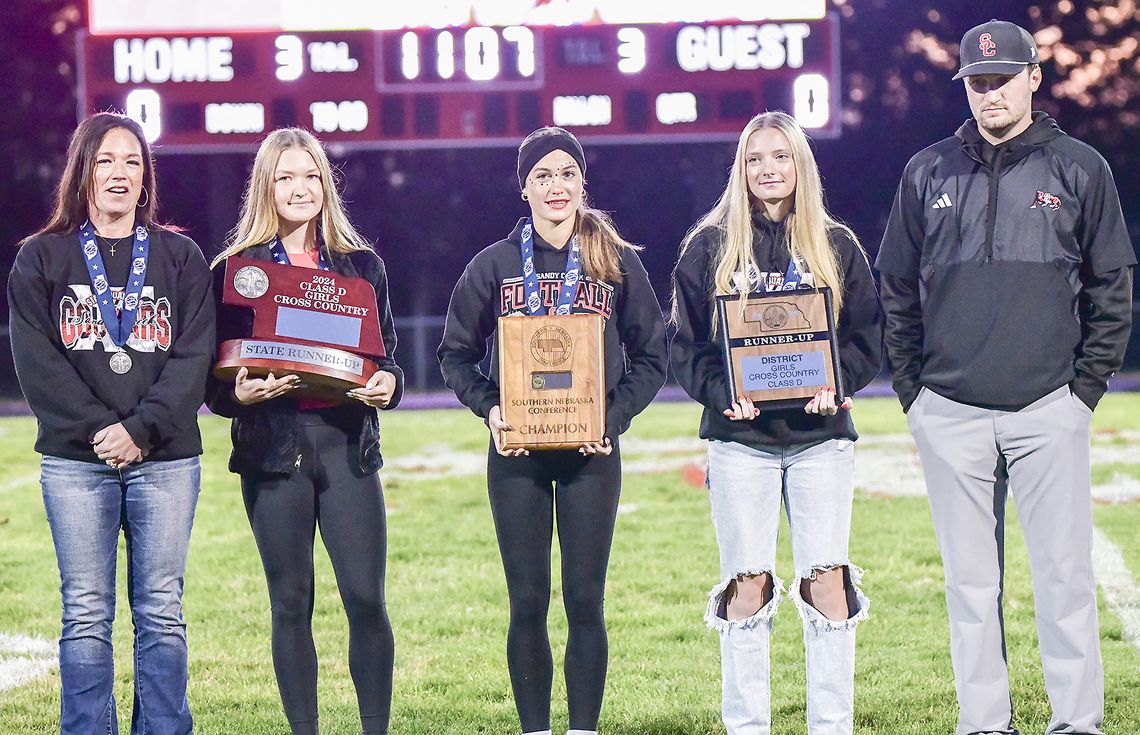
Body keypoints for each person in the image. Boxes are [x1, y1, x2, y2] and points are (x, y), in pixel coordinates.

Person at [875, 19, 1135, 735]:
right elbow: (892, 284)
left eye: (1001, 79)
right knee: (969, 583)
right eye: (977, 82)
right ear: (966, 86)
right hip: (949, 410)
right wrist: (913, 391)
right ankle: (986, 722)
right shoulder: (927, 170)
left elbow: (1114, 282)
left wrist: (1085, 389)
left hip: (1049, 404)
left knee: (1064, 578)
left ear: (1032, 78)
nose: (989, 93)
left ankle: (1076, 722)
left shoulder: (1080, 166)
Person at [437, 126, 667, 735]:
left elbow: (653, 355)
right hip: (519, 454)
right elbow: (454, 355)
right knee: (528, 602)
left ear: (582, 184)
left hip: (592, 450)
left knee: (585, 601)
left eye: (567, 173)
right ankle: (536, 729)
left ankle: (583, 729)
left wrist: (611, 418)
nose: (557, 185)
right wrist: (491, 409)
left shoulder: (614, 262)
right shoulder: (492, 267)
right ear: (525, 189)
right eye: (543, 175)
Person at [670, 110, 883, 735]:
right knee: (747, 588)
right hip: (741, 443)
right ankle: (747, 727)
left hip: (820, 442)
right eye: (755, 159)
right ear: (741, 169)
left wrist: (835, 386)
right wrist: (721, 395)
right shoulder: (708, 246)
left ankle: (831, 726)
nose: (768, 169)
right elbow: (687, 347)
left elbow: (867, 338)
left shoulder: (836, 245)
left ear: (800, 165)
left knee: (829, 587)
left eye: (780, 157)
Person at [7, 112, 215, 734]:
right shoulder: (41, 257)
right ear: (83, 172)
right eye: (105, 161)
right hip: (75, 462)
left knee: (161, 613)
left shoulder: (181, 256)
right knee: (86, 614)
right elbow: (37, 362)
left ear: (146, 176)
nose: (119, 173)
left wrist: (143, 429)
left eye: (132, 161)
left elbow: (195, 355)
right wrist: (104, 429)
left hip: (167, 459)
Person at [207, 128, 403, 735]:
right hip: (274, 452)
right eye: (286, 177)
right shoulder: (234, 271)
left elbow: (387, 360)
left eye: (311, 175)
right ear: (266, 186)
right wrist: (236, 395)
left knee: (366, 599)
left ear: (326, 184)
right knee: (291, 603)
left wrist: (388, 386)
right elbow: (214, 383)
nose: (300, 188)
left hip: (346, 447)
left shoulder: (363, 267)